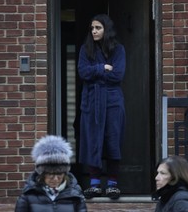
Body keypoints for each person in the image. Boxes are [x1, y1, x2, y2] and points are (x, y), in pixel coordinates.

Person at [77, 14, 126, 199]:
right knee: (92, 141)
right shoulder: (85, 49)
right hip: (91, 102)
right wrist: (102, 68)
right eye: (92, 28)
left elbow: (118, 75)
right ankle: (95, 184)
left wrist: (94, 72)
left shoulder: (118, 50)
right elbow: (83, 72)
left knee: (112, 140)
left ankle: (112, 185)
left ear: (107, 29)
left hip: (112, 102)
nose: (94, 31)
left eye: (98, 28)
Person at [15, 135, 87, 212]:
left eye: (59, 174)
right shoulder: (28, 195)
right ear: (42, 174)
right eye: (50, 174)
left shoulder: (75, 195)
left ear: (65, 174)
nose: (55, 179)